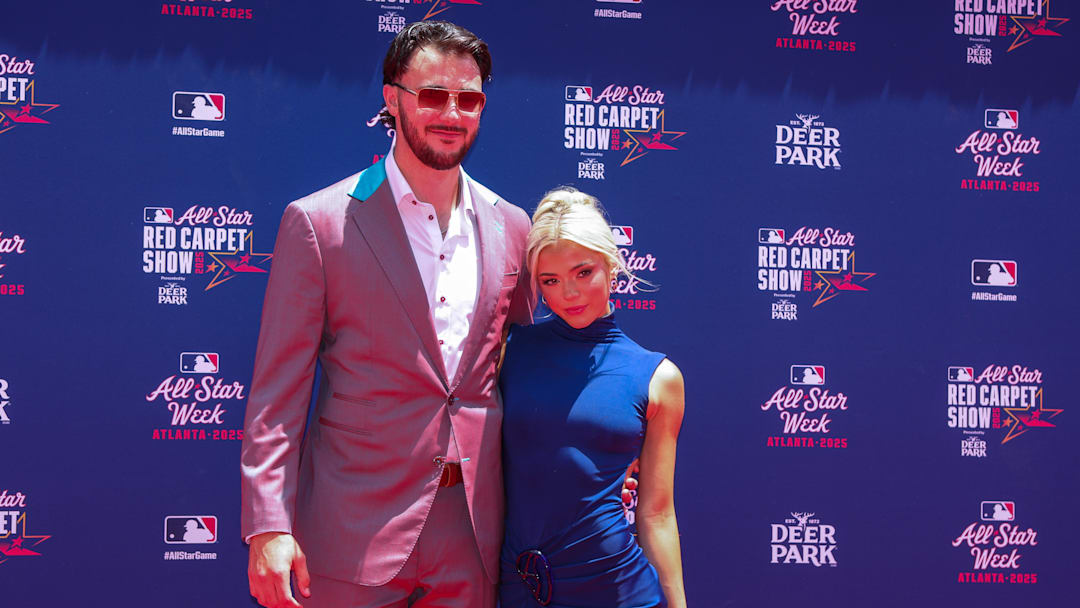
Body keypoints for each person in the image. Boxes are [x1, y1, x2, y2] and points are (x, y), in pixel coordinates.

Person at [240, 21, 536, 608]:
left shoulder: (513, 226)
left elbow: (528, 377)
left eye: (469, 100)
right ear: (392, 99)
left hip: (473, 536)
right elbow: (278, 395)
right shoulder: (320, 223)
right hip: (351, 529)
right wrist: (268, 525)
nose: (451, 113)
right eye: (432, 95)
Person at [499, 187, 686, 608]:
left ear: (611, 264)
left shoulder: (658, 377)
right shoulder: (511, 351)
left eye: (583, 272)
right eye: (550, 280)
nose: (569, 293)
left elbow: (656, 513)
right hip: (518, 588)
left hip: (618, 590)